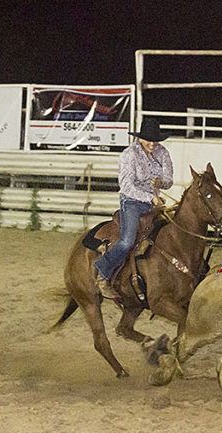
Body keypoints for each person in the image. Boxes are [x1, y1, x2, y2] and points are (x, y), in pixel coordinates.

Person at [94, 118, 174, 300]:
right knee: (127, 241)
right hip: (131, 201)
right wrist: (150, 197)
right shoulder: (129, 155)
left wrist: (161, 182)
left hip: (154, 202)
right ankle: (103, 272)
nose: (152, 144)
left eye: (155, 140)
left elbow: (169, 180)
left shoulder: (163, 153)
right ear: (140, 138)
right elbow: (126, 186)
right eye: (149, 140)